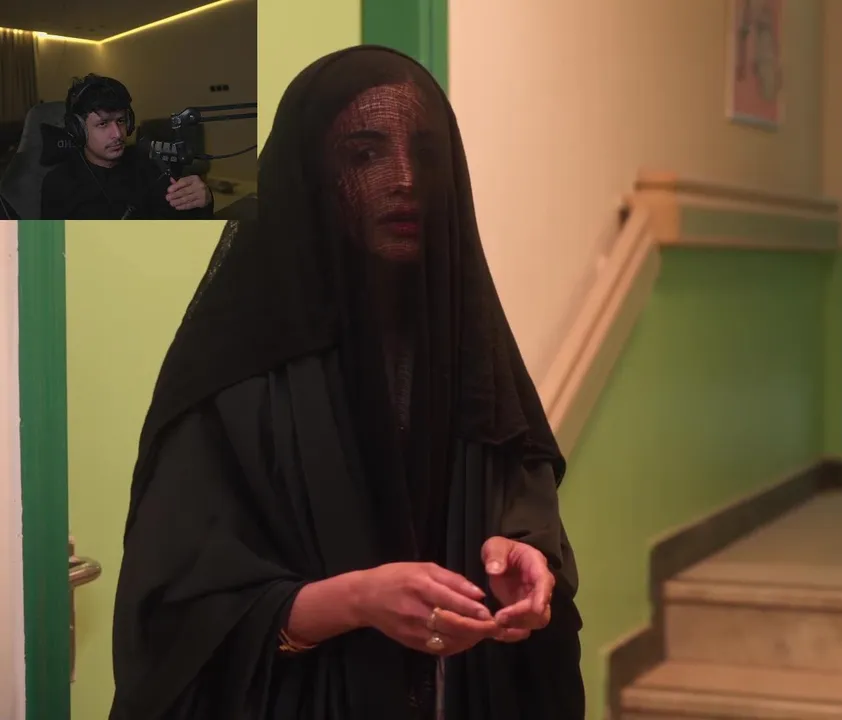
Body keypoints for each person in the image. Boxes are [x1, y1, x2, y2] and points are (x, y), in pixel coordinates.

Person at [108, 46, 584, 719]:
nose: (405, 180)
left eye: (426, 154)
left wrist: (525, 555)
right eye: (364, 154)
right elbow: (176, 612)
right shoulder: (235, 371)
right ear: (311, 176)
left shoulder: (467, 347)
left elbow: (521, 490)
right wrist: (356, 600)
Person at [40, 74, 214, 220]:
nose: (117, 134)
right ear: (78, 130)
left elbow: (183, 231)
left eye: (121, 121)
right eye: (103, 124)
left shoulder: (151, 166)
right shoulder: (58, 184)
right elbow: (50, 248)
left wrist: (204, 201)